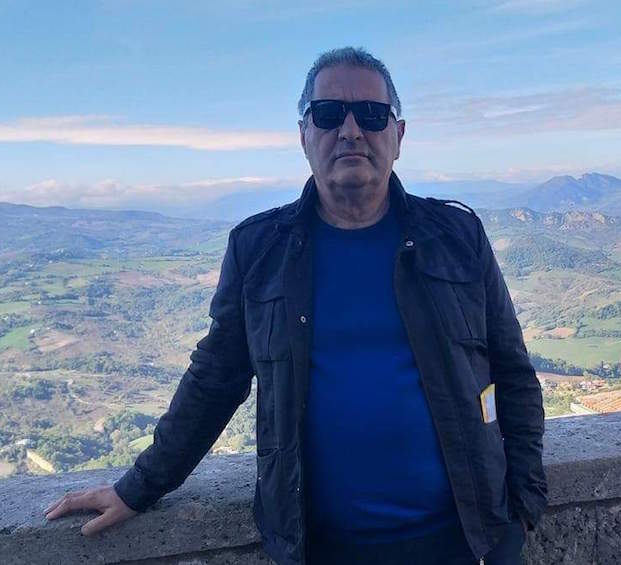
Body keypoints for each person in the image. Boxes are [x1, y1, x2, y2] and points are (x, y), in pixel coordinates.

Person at [43, 46, 547, 565]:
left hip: (461, 544)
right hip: (321, 550)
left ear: (398, 136)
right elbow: (215, 380)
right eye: (328, 114)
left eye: (371, 115)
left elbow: (512, 372)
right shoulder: (259, 250)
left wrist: (523, 510)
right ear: (303, 134)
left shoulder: (457, 237)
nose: (350, 131)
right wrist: (138, 487)